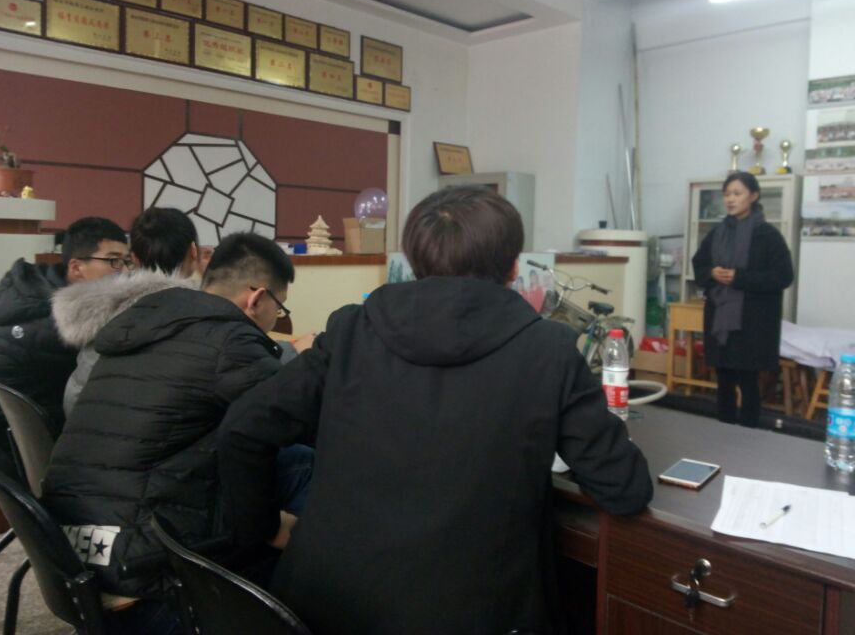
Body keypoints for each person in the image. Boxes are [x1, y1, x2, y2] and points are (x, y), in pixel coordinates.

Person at [218, 185, 653, 635]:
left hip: (320, 609)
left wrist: (264, 529)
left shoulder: (351, 330)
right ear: (513, 266)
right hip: (474, 615)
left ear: (415, 262)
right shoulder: (549, 350)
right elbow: (624, 489)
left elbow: (243, 428)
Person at [42, 232, 296, 633]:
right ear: (257, 298)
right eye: (279, 309)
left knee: (286, 465)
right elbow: (296, 419)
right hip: (148, 581)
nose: (275, 320)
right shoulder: (232, 340)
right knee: (310, 496)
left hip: (73, 553)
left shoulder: (141, 322)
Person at [0, 216, 129, 447]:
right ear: (76, 267)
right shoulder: (62, 319)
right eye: (114, 261)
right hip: (17, 439)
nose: (124, 271)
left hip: (6, 431)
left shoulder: (37, 288)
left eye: (127, 261)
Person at [55, 207, 201, 416]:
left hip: (86, 427)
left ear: (134, 259)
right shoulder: (199, 315)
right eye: (112, 260)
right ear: (194, 251)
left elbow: (76, 397)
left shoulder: (101, 312)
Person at [692, 171, 794, 428]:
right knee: (724, 377)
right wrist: (712, 273)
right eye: (727, 194)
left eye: (737, 193)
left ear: (754, 196)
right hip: (720, 316)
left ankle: (749, 433)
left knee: (748, 380)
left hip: (753, 320)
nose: (730, 199)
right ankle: (724, 429)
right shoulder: (717, 233)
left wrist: (740, 277)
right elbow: (699, 264)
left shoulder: (768, 235)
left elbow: (783, 276)